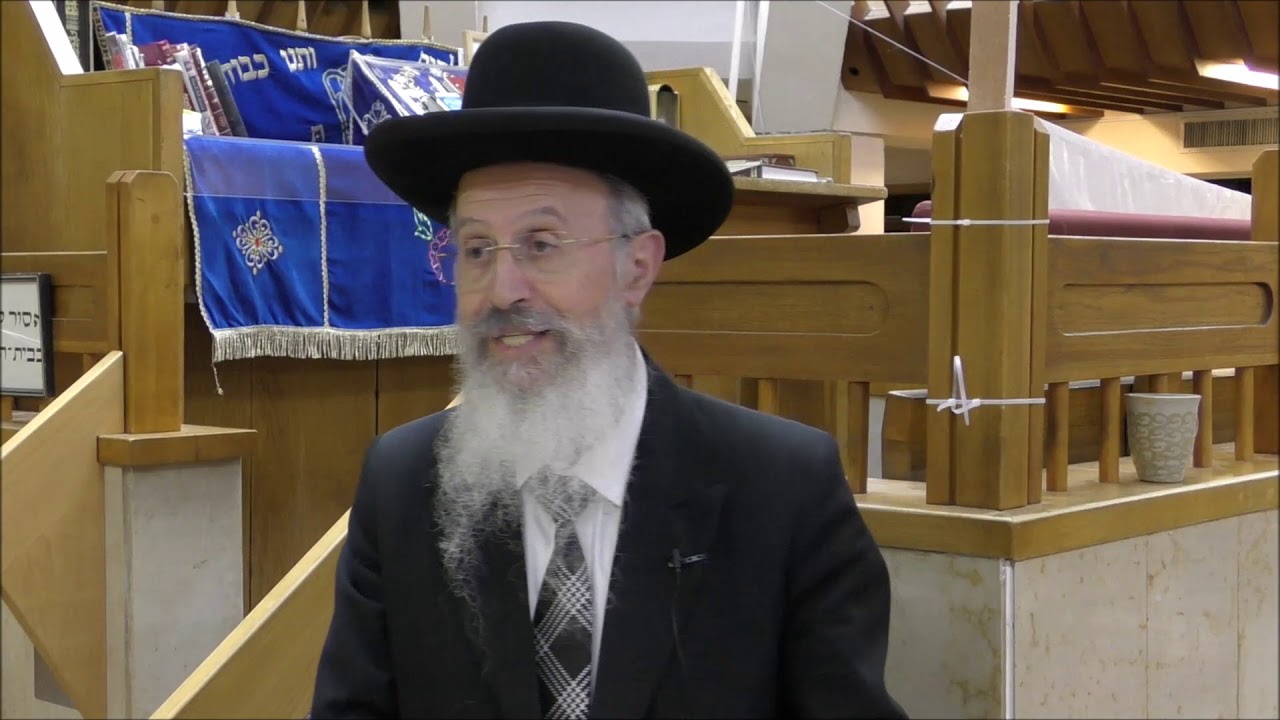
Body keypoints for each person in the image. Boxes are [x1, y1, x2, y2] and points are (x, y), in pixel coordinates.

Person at [311, 19, 907, 720]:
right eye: (476, 250)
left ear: (637, 267)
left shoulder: (782, 491)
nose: (503, 291)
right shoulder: (402, 484)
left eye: (541, 244)